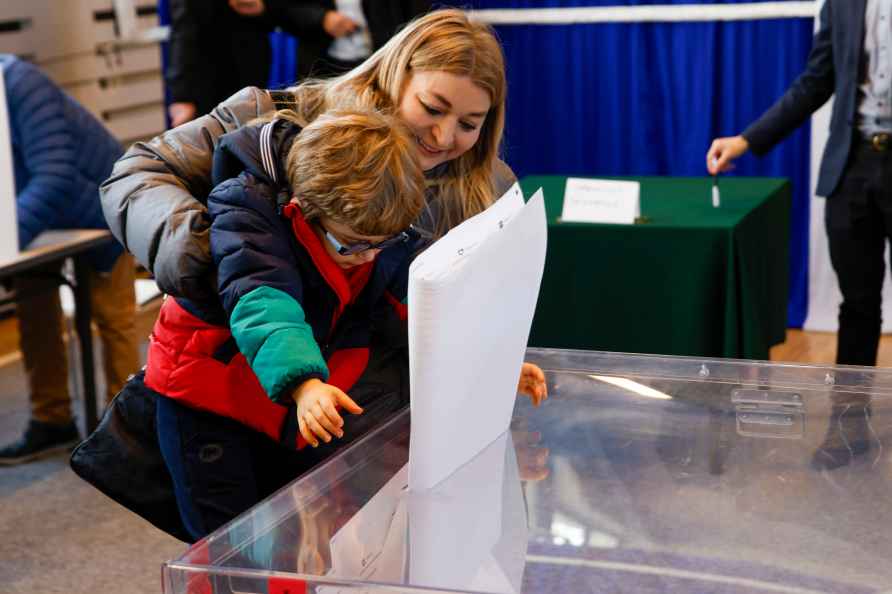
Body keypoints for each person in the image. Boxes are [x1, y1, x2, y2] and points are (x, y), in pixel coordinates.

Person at [148, 108, 430, 541]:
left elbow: (417, 300)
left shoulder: (367, 230)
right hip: (207, 397)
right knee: (228, 539)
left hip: (282, 393)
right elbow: (263, 303)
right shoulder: (247, 210)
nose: (368, 257)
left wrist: (481, 360)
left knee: (294, 531)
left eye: (382, 243)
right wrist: (305, 383)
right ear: (304, 208)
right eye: (353, 245)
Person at [706, 1, 878, 469]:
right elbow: (816, 82)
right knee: (857, 306)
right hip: (854, 167)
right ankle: (849, 428)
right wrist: (747, 139)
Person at [0, 55, 139, 465]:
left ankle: (129, 437)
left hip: (101, 204)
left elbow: (55, 172)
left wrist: (9, 242)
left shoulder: (19, 81)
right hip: (44, 218)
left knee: (113, 319)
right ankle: (52, 422)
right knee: (34, 312)